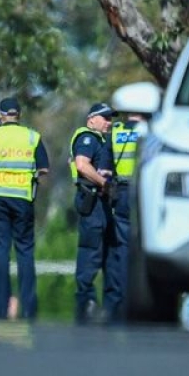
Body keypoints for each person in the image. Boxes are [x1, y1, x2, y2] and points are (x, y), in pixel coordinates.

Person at [0, 98, 49, 319]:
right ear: (19, 115)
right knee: (25, 252)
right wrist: (30, 178)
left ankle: (0, 307)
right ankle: (28, 307)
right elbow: (44, 169)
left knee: (0, 253)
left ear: (0, 115)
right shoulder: (32, 137)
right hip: (23, 199)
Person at [69, 102, 117, 324]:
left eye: (111, 118)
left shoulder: (101, 140)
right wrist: (104, 183)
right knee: (90, 253)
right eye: (105, 118)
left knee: (105, 254)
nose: (109, 122)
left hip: (101, 204)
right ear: (91, 120)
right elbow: (81, 165)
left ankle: (106, 306)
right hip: (92, 199)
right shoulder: (87, 138)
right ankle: (86, 304)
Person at [105, 110, 147, 322]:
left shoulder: (116, 132)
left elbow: (106, 166)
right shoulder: (150, 131)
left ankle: (120, 301)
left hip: (121, 193)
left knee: (121, 247)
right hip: (143, 193)